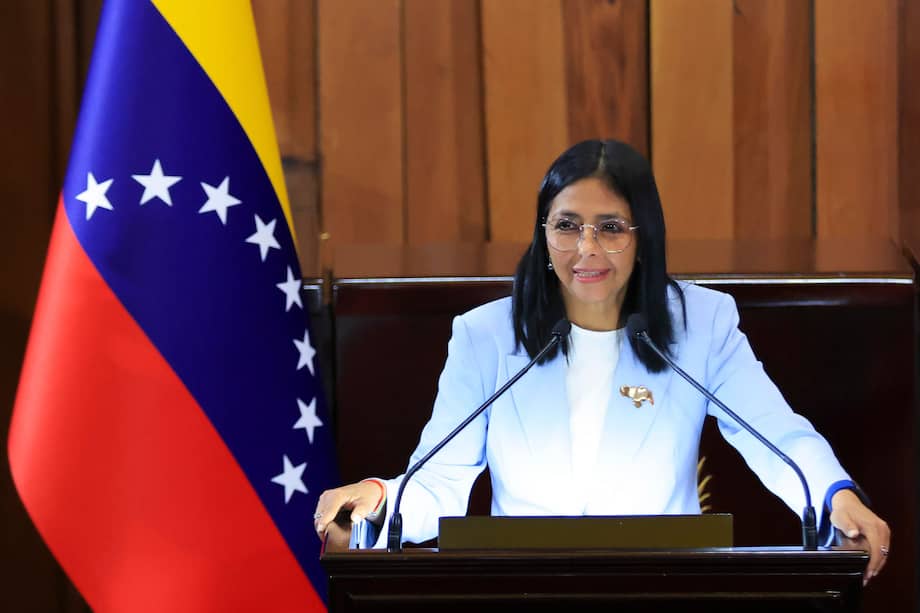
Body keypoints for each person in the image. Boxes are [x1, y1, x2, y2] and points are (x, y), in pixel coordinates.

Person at [313, 139, 890, 583]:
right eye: (566, 226)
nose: (585, 248)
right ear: (544, 235)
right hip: (523, 590)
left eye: (610, 228)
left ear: (644, 237)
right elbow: (438, 481)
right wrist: (378, 499)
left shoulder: (702, 325)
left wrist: (837, 498)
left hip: (666, 589)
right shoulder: (486, 335)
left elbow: (778, 437)